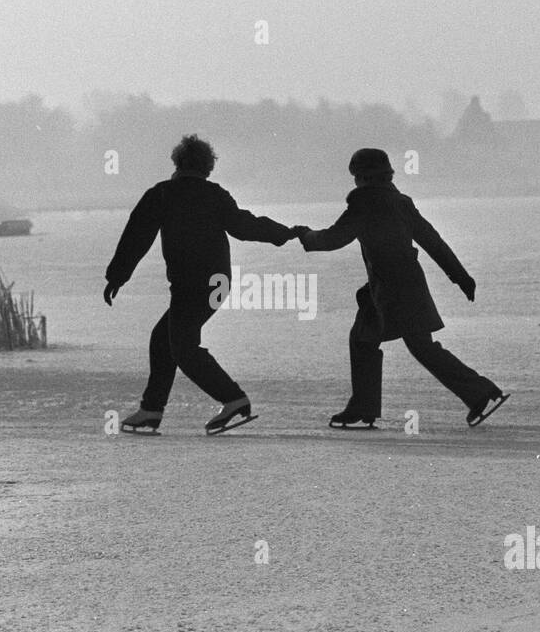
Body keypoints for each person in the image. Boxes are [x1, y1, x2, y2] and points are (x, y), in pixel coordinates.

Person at [293, 148, 507, 428]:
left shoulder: (364, 203)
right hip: (396, 287)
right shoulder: (399, 202)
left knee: (417, 346)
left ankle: (479, 391)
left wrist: (305, 235)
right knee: (365, 339)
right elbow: (433, 241)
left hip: (393, 291)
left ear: (360, 176)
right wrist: (460, 276)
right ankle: (363, 406)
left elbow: (335, 238)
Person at [104, 134, 295, 434]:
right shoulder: (214, 194)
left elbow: (136, 236)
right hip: (218, 283)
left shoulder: (163, 194)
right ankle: (151, 409)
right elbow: (245, 225)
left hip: (189, 284)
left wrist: (117, 275)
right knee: (164, 340)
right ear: (208, 167)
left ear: (177, 163)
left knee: (182, 347)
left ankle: (233, 399)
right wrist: (283, 232)